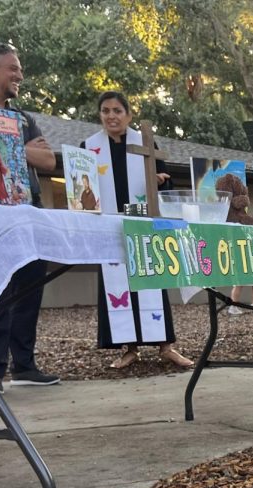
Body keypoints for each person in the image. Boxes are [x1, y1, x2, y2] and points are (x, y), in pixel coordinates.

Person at [0, 41, 60, 394]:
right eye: (14, 67)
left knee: (30, 286)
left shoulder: (24, 118)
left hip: (27, 211)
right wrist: (21, 152)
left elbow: (49, 162)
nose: (20, 74)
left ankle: (24, 365)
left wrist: (9, 149)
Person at [83, 90, 193, 369]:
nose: (111, 116)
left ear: (128, 115)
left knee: (151, 280)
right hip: (108, 222)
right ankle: (129, 348)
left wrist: (158, 181)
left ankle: (165, 346)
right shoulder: (90, 146)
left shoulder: (144, 142)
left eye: (117, 110)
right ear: (100, 115)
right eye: (105, 110)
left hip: (141, 219)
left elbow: (164, 182)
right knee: (116, 284)